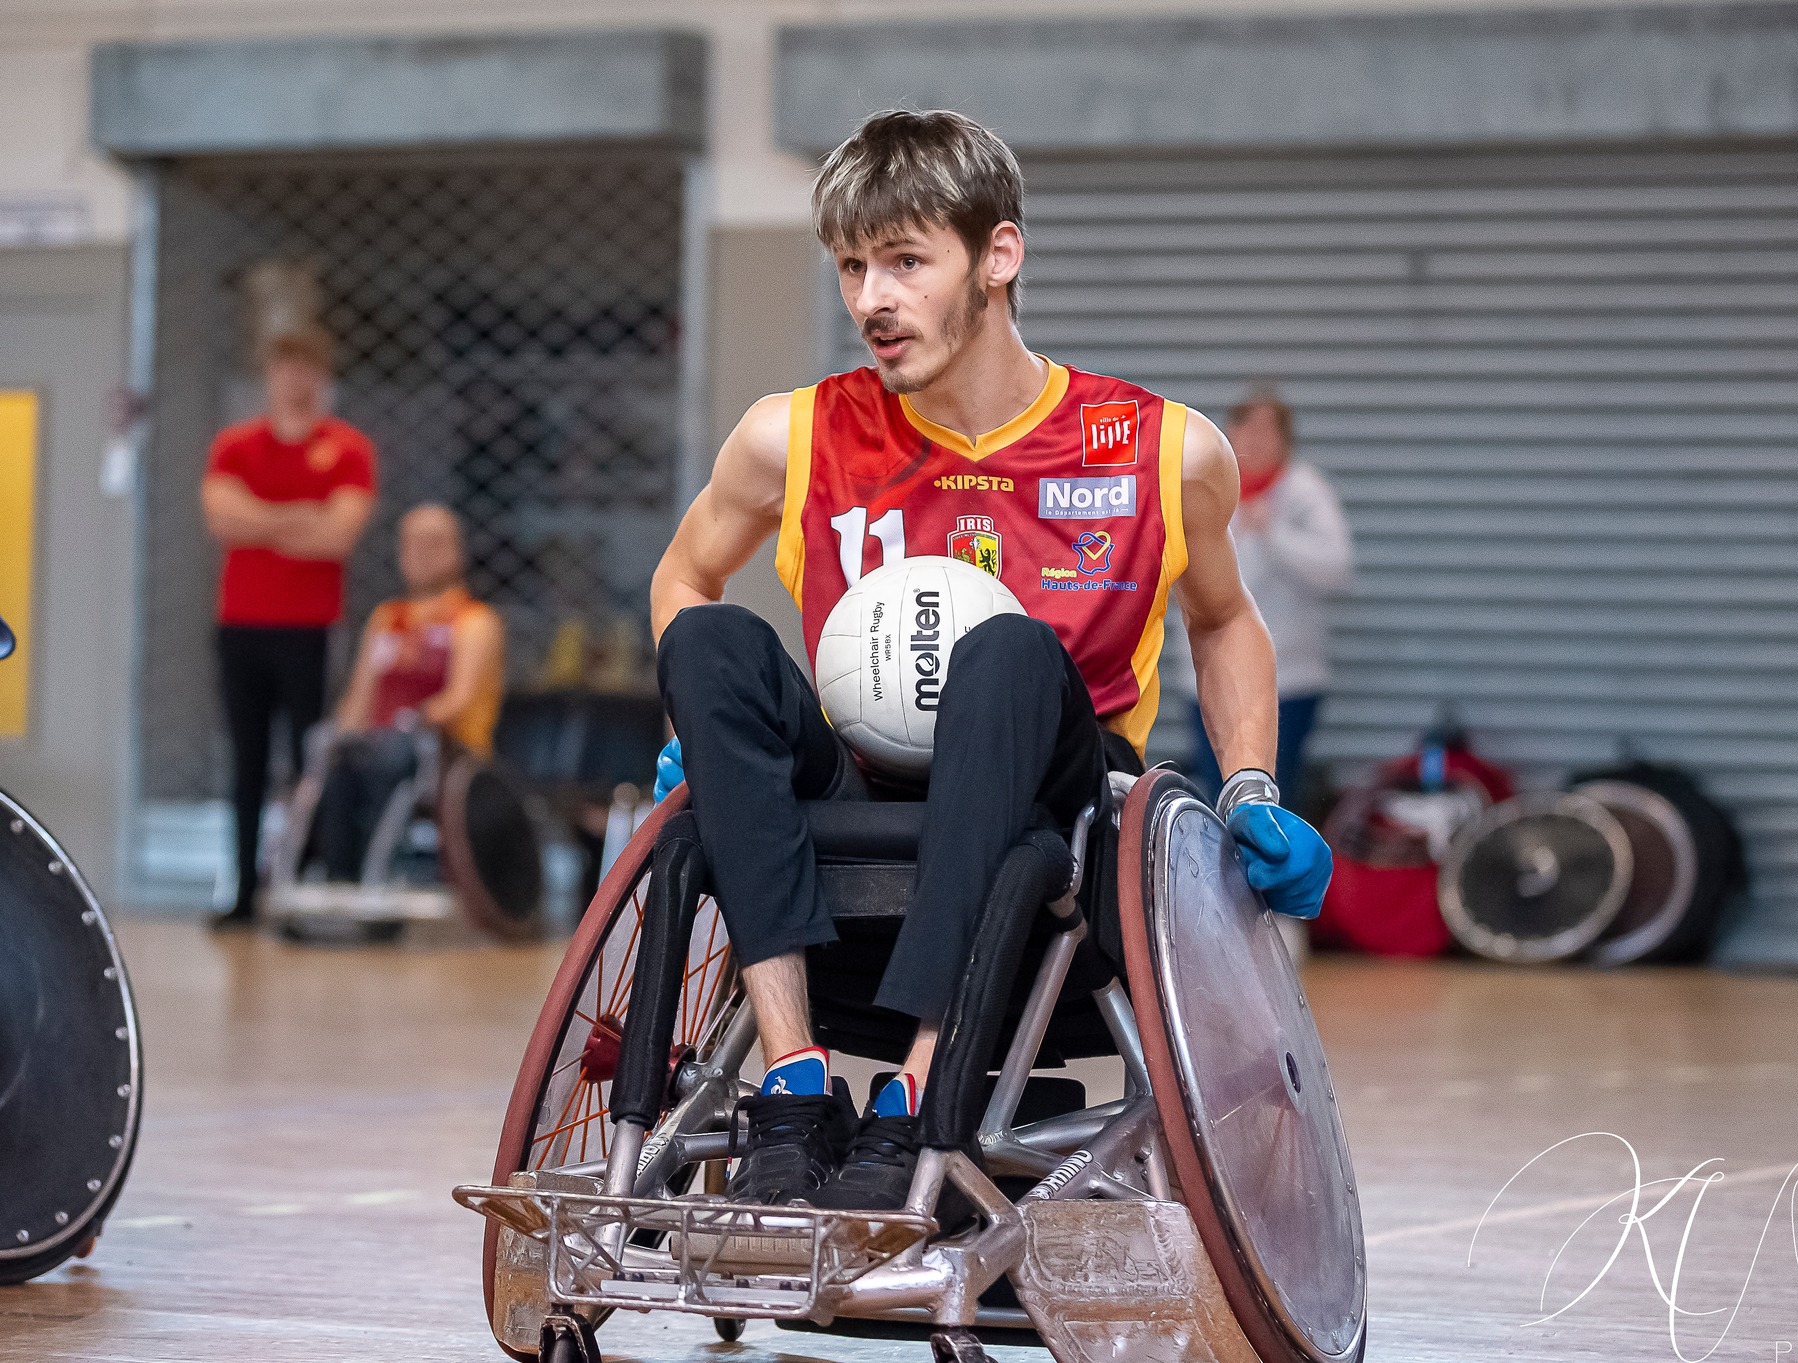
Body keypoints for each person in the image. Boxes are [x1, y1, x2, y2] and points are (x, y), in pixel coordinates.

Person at [644, 110, 1332, 1213]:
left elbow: (1223, 617)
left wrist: (1249, 783)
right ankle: (790, 1077)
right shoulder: (793, 435)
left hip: (1055, 808)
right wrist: (693, 730)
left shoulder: (1164, 448)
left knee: (1007, 649)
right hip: (858, 796)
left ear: (998, 256)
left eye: (907, 261)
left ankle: (920, 1089)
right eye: (853, 265)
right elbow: (685, 578)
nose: (872, 298)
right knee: (712, 640)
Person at [200, 328, 376, 929]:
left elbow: (339, 535)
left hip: (310, 627)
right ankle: (244, 890)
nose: (295, 381)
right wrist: (301, 516)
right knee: (247, 761)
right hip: (242, 624)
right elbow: (223, 519)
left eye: (308, 369)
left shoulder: (347, 449)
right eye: (285, 368)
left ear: (321, 377)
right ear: (269, 376)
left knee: (311, 758)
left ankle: (305, 885)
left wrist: (263, 522)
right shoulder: (236, 445)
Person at [314, 504, 505, 881]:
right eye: (412, 543)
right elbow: (360, 696)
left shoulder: (473, 621)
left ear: (456, 550)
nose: (421, 553)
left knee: (391, 759)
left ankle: (378, 870)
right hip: (381, 745)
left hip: (442, 749)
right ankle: (336, 877)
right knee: (340, 764)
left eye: (434, 543)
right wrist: (337, 737)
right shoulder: (388, 619)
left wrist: (416, 720)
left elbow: (459, 698)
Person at [1183, 389, 1352, 812]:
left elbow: (1336, 568)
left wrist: (1274, 533)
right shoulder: (1208, 485)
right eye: (1245, 428)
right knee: (1213, 795)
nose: (1254, 440)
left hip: (1288, 679)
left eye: (1266, 431)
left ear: (1285, 438)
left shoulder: (1304, 491)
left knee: (1271, 797)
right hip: (1208, 676)